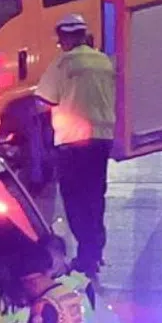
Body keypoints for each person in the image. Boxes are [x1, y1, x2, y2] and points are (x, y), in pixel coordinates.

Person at [35, 14, 116, 277]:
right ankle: (95, 252)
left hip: (73, 142)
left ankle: (86, 256)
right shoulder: (103, 60)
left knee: (75, 201)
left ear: (66, 38)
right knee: (95, 197)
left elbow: (43, 101)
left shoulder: (64, 63)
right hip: (102, 139)